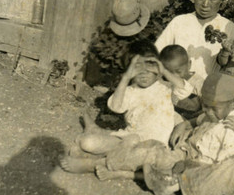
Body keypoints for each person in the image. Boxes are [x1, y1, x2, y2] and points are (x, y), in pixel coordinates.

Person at [60, 40, 192, 179]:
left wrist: (163, 70)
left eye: (149, 70)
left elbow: (185, 89)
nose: (144, 75)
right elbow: (115, 107)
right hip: (129, 140)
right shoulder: (130, 91)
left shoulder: (165, 87)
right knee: (87, 143)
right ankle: (92, 138)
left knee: (138, 157)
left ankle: (89, 164)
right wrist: (126, 78)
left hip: (151, 148)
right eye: (138, 71)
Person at [143, 73, 234, 195]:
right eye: (205, 106)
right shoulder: (215, 113)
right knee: (166, 155)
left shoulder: (232, 127)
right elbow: (199, 119)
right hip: (189, 153)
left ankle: (168, 185)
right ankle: (157, 173)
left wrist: (193, 164)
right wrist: (184, 124)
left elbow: (226, 167)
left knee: (192, 176)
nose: (207, 111)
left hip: (205, 166)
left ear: (233, 105)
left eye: (213, 108)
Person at [155, 0, 234, 79]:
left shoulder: (230, 28)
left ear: (222, 1)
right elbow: (158, 52)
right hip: (176, 84)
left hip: (209, 89)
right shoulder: (179, 22)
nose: (205, 4)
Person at [159, 45, 204, 121]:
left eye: (178, 71)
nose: (174, 76)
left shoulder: (199, 83)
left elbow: (207, 107)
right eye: (169, 73)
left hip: (192, 121)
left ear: (189, 64)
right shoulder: (166, 82)